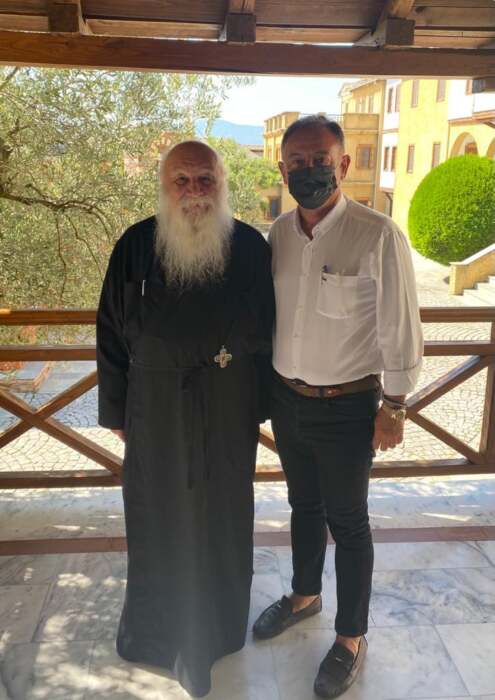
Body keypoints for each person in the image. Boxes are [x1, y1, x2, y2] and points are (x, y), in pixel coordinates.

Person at [253, 116, 423, 698]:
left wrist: (395, 405)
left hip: (348, 407)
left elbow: (401, 326)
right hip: (287, 399)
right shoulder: (278, 234)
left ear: (343, 164)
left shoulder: (378, 235)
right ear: (282, 169)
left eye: (320, 160)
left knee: (348, 522)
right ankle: (305, 596)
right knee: (303, 505)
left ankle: (351, 637)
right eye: (297, 162)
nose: (309, 171)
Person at [96, 140, 274, 698]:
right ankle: (155, 635)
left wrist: (256, 407)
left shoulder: (249, 246)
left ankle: (216, 631)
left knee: (222, 516)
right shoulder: (135, 245)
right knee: (157, 516)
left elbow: (268, 330)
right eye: (183, 180)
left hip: (226, 408)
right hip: (153, 410)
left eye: (205, 180)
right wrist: (118, 409)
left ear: (222, 184)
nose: (195, 192)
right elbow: (110, 332)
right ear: (164, 186)